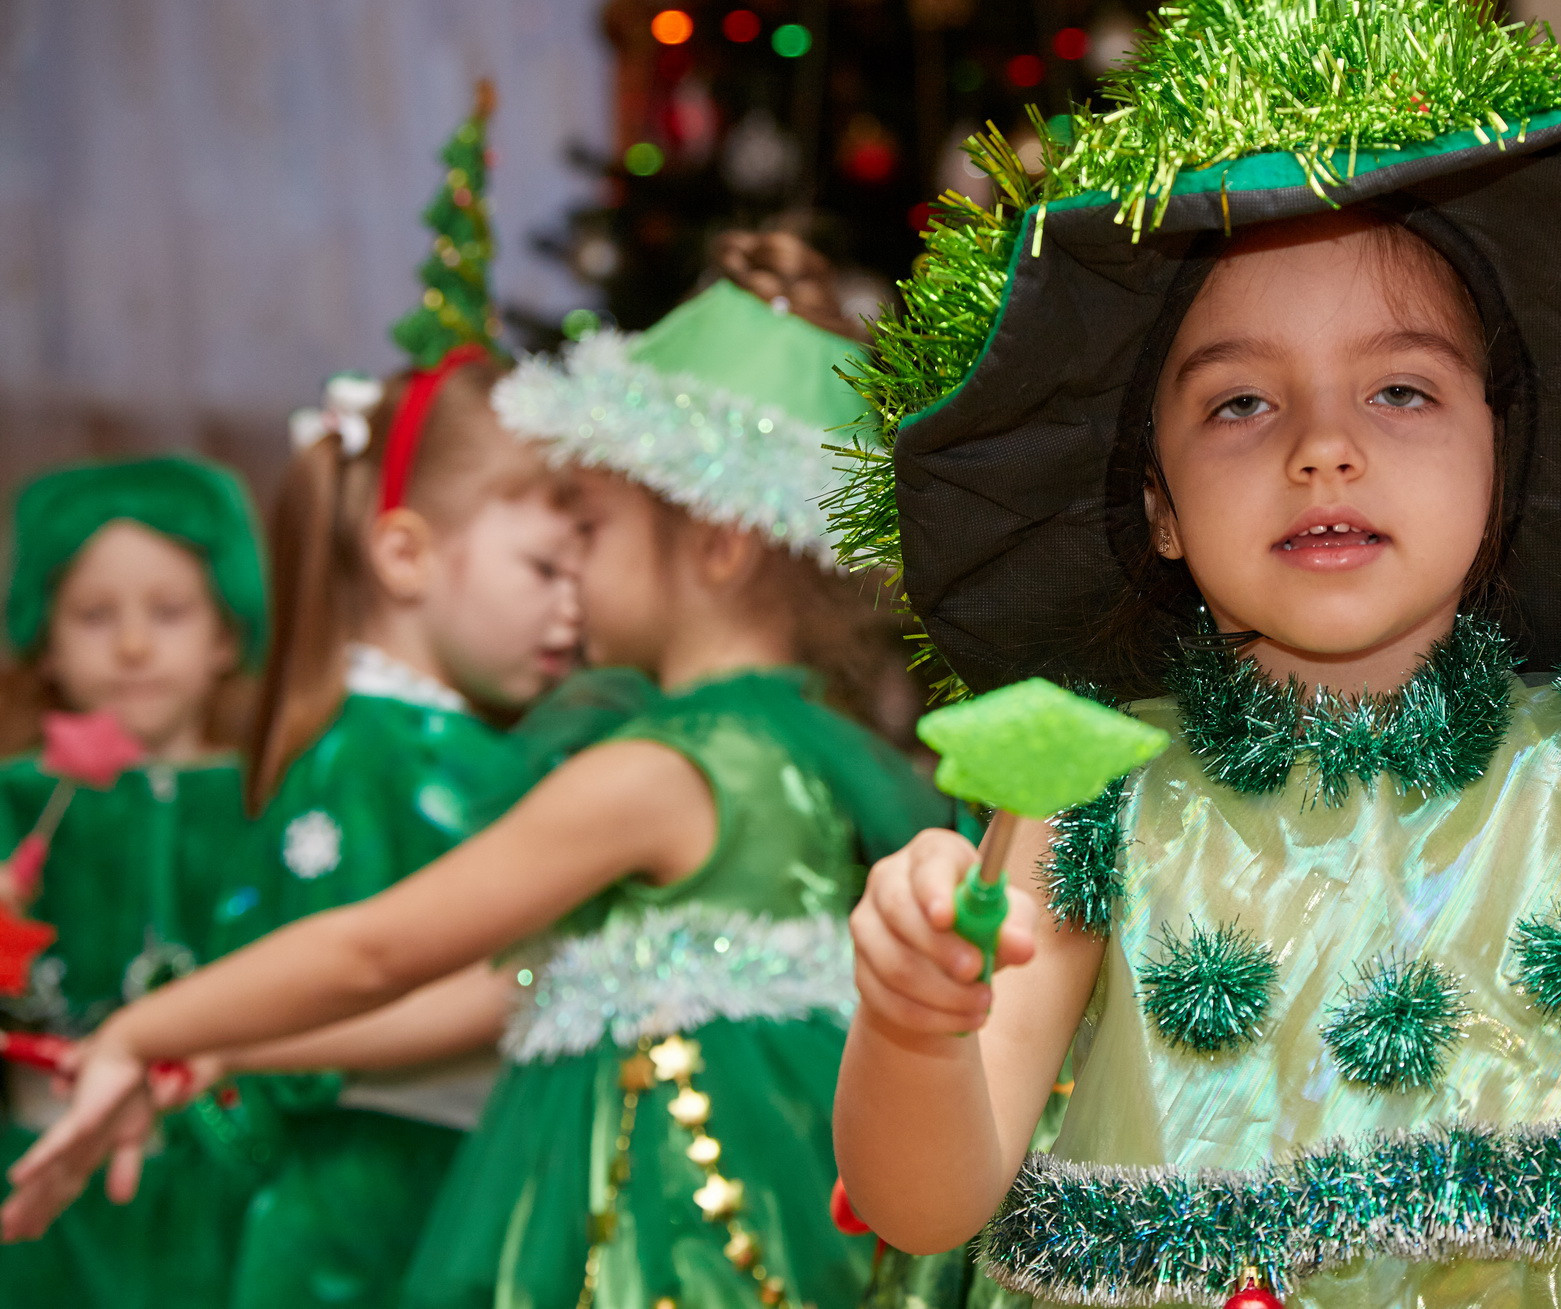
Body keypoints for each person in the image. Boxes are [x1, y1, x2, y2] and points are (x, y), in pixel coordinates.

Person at [826, 0, 1561, 1305]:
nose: (1323, 446)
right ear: (1156, 503)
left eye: (1400, 388)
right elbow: (931, 1202)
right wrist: (914, 1031)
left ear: (1503, 462)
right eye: (1240, 403)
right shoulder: (1082, 799)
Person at [3, 235, 965, 1309]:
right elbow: (498, 987)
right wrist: (234, 1046)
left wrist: (143, 1028)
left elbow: (382, 946)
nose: (570, 572)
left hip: (667, 1228)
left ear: (719, 547)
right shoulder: (786, 750)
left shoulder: (655, 771)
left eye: (589, 528)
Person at [0, 455, 270, 1308]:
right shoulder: (16, 798)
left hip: (227, 1169)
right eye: (93, 614)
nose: (132, 644)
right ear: (42, 638)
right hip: (40, 1170)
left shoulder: (270, 801)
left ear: (226, 634)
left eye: (170, 611)